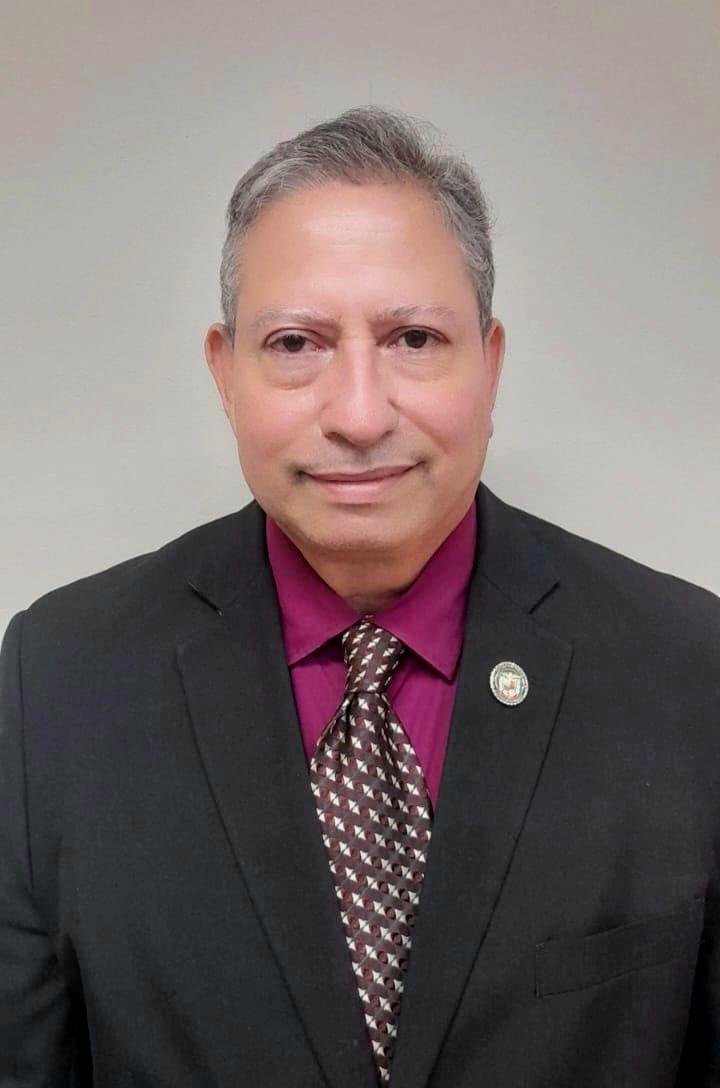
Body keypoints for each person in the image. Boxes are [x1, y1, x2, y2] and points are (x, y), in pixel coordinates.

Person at [0, 105, 718, 1088]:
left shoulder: (689, 673)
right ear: (225, 372)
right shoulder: (59, 683)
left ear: (491, 363)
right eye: (296, 343)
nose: (359, 413)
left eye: (413, 338)